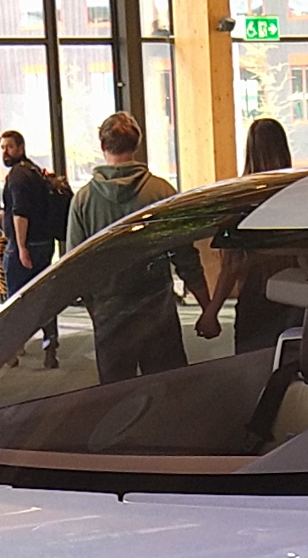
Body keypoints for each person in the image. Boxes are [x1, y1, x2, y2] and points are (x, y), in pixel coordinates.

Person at [63, 111, 214, 382]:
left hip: (110, 312)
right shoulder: (162, 193)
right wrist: (207, 308)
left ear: (102, 145)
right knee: (166, 390)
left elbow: (76, 266)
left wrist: (96, 311)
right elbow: (185, 257)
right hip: (157, 312)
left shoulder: (83, 200)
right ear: (137, 143)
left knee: (116, 395)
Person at [203, 118, 300, 354]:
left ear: (250, 150)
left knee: (252, 367)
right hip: (295, 295)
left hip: (255, 297)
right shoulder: (298, 192)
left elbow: (231, 265)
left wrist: (212, 311)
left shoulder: (241, 198)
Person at [0, 129, 68, 366]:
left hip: (25, 247)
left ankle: (12, 351)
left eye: (9, 147)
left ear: (20, 148)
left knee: (15, 302)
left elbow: (20, 214)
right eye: (2, 147)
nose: (5, 152)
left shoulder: (17, 176)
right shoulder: (35, 171)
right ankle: (50, 346)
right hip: (44, 244)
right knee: (45, 299)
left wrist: (21, 248)